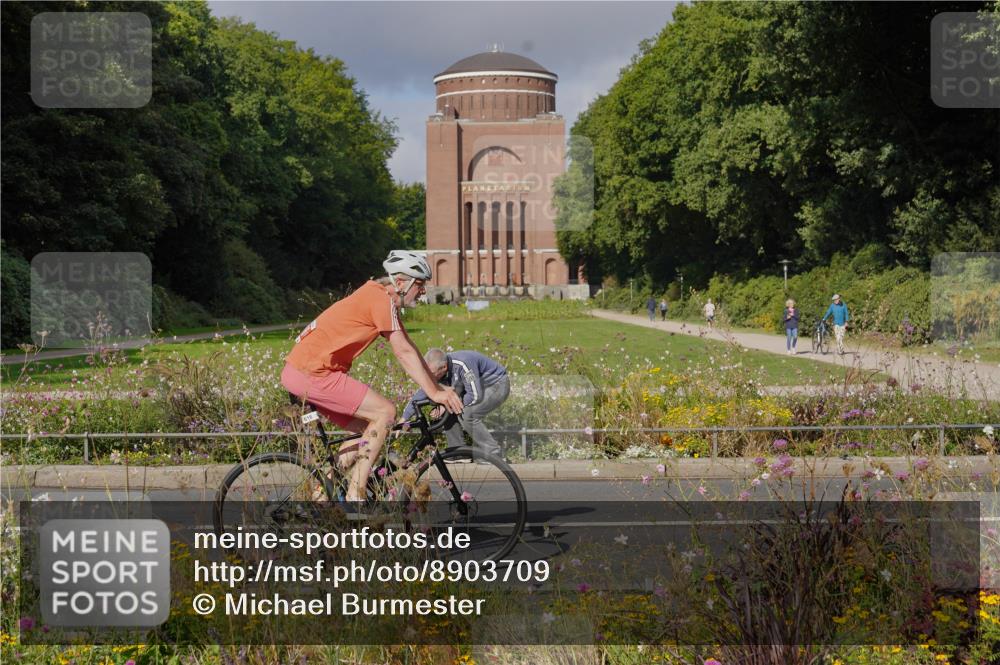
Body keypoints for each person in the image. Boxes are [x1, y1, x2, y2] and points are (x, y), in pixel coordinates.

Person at [281, 250, 464, 502]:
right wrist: (435, 393)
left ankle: (321, 495)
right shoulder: (379, 300)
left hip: (303, 371)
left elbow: (410, 349)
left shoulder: (379, 297)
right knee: (385, 413)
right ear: (401, 282)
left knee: (366, 430)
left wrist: (438, 388)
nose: (423, 291)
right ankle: (356, 495)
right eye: (420, 284)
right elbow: (402, 352)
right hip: (312, 372)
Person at [402, 349, 510, 461]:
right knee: (449, 406)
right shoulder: (438, 369)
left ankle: (494, 453)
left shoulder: (464, 363)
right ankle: (458, 452)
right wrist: (404, 418)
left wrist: (447, 405)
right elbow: (422, 392)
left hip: (497, 384)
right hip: (475, 388)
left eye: (432, 373)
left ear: (444, 367)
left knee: (467, 414)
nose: (429, 377)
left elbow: (475, 395)